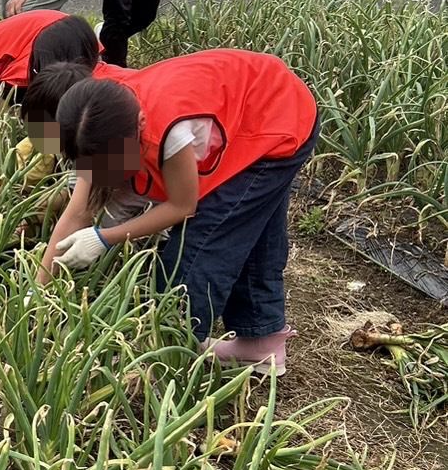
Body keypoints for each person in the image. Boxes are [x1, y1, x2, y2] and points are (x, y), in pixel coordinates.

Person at [37, 50, 319, 377]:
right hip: (257, 99)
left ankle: (162, 354)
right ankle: (262, 343)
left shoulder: (168, 131)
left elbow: (183, 206)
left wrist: (105, 237)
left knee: (205, 240)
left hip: (275, 116)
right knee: (251, 226)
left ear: (139, 129)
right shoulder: (95, 119)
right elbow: (78, 212)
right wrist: (37, 290)